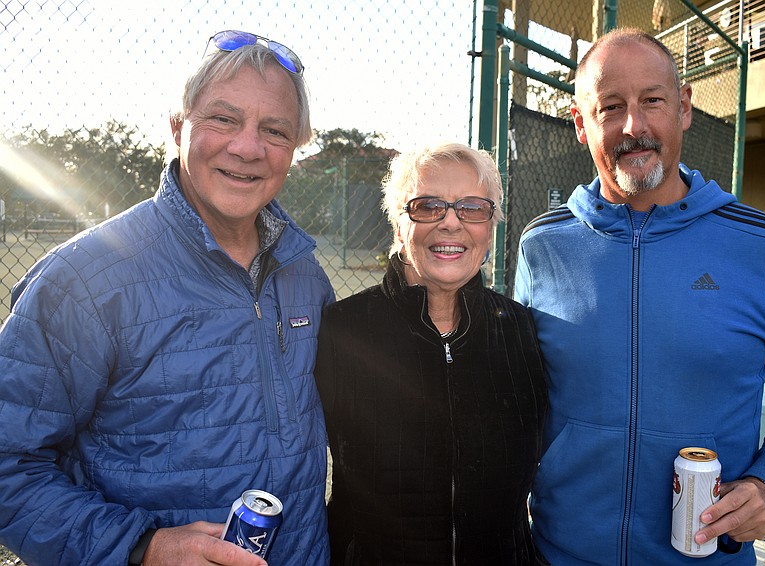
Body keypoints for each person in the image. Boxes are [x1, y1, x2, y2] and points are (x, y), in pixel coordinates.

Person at [514, 28, 765, 565]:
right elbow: (518, 395)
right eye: (610, 107)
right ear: (579, 123)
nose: (634, 126)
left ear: (684, 108)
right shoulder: (542, 246)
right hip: (556, 554)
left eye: (652, 100)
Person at [0, 30, 334, 566]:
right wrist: (142, 546)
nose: (247, 148)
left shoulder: (304, 274)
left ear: (293, 151)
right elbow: (9, 465)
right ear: (178, 127)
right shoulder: (82, 281)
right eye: (223, 119)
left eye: (274, 130)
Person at [315, 142, 548, 565]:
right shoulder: (341, 331)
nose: (451, 223)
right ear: (397, 225)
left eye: (472, 208)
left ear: (491, 226)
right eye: (427, 206)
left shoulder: (521, 329)